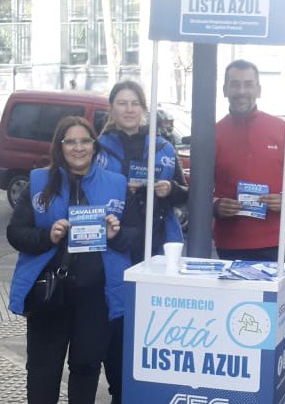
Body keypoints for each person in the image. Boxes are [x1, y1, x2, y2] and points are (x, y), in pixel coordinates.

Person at [213, 59, 285, 403]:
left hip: (278, 243)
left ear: (258, 89)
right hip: (233, 246)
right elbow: (198, 185)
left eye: (248, 84)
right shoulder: (214, 132)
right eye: (235, 84)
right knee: (240, 323)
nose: (241, 90)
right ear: (224, 90)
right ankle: (241, 388)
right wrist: (217, 203)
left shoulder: (280, 130)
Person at [7, 116, 133, 404]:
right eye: (70, 141)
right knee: (42, 372)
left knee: (87, 368)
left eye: (85, 141)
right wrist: (47, 237)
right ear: (60, 147)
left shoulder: (116, 183)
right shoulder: (39, 180)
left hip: (96, 297)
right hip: (51, 294)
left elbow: (133, 238)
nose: (78, 148)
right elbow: (15, 233)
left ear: (94, 145)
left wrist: (117, 234)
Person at [96, 80, 189, 403]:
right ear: (112, 109)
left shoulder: (162, 147)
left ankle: (153, 392)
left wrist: (169, 190)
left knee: (157, 326)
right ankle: (119, 393)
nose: (129, 109)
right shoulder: (99, 147)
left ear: (143, 108)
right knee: (118, 326)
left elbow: (185, 194)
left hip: (157, 245)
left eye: (134, 103)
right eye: (122, 103)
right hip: (114, 247)